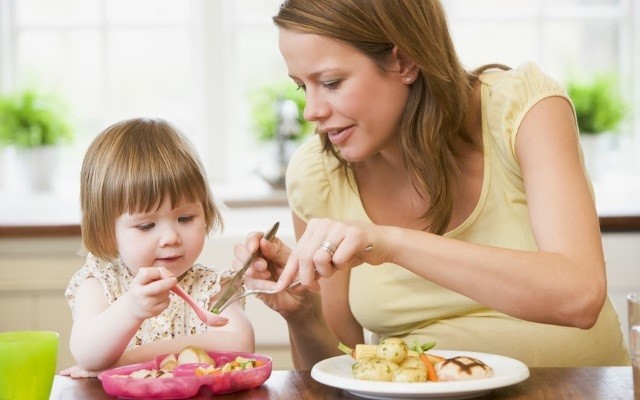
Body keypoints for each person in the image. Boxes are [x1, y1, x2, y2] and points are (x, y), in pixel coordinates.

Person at [233, 0, 630, 370]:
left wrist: (388, 243)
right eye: (303, 87)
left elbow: (579, 296)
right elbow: (346, 368)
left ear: (404, 61)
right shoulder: (320, 173)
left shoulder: (522, 110)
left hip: (576, 387)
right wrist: (303, 315)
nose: (311, 112)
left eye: (332, 82)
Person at [62, 118, 254, 377]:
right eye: (146, 226)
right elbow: (87, 354)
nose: (170, 238)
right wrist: (131, 308)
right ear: (109, 231)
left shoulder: (212, 287)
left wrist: (124, 362)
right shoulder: (99, 284)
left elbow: (239, 344)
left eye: (185, 219)